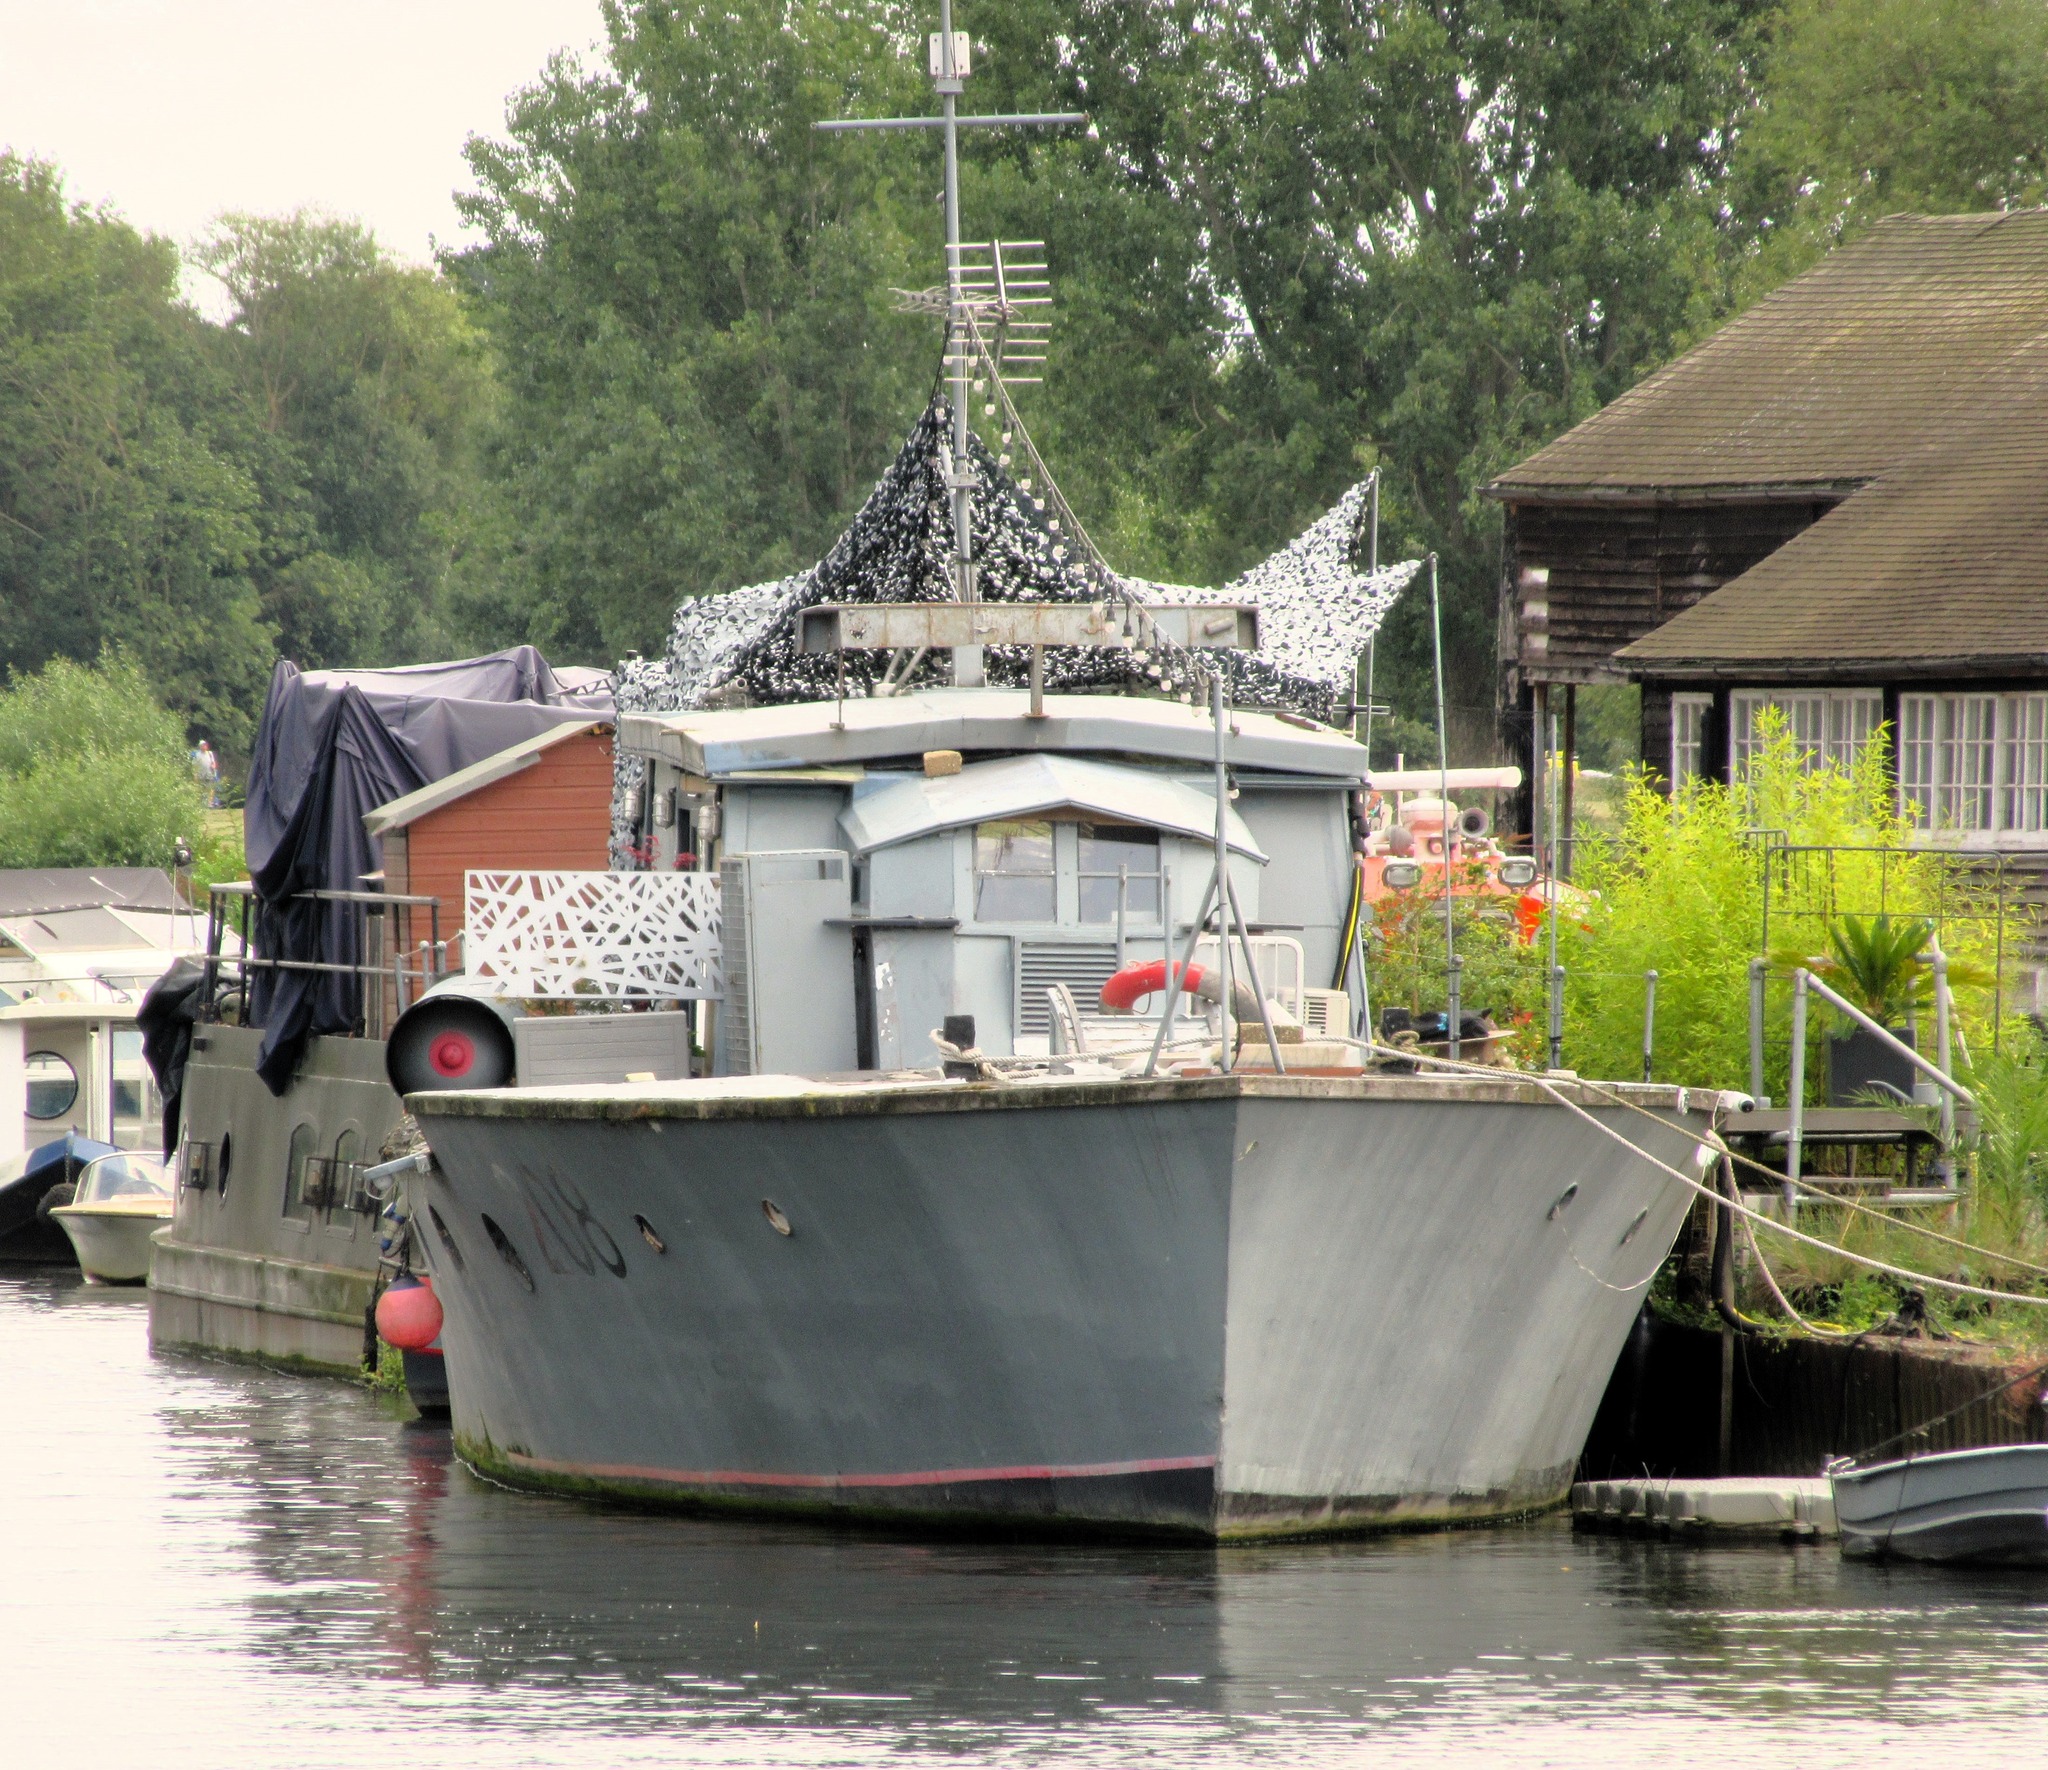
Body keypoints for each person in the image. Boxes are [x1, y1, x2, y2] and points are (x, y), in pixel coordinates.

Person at [191, 739, 221, 809]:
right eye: (203, 745)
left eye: (205, 745)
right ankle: (202, 803)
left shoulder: (210, 753)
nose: (205, 746)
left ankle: (209, 803)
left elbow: (213, 763)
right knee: (201, 789)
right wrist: (195, 774)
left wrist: (214, 766)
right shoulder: (197, 755)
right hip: (200, 775)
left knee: (210, 789)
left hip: (209, 774)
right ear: (200, 746)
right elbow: (194, 765)